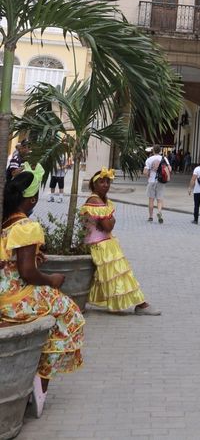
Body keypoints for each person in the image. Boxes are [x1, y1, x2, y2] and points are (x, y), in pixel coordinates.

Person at [0, 171, 84, 418]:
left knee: (55, 313)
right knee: (71, 316)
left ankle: (34, 377)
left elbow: (13, 262)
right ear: (33, 199)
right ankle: (41, 379)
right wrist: (52, 280)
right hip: (16, 298)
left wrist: (32, 257)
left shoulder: (6, 223)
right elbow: (27, 272)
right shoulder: (26, 225)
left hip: (6, 293)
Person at [80, 168, 160, 315]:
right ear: (94, 184)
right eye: (101, 182)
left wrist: (109, 220)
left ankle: (140, 304)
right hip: (100, 245)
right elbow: (108, 226)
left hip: (104, 242)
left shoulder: (102, 201)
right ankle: (141, 304)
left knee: (118, 274)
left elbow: (108, 224)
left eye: (107, 182)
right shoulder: (95, 200)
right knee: (121, 274)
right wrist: (110, 219)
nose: (105, 185)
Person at [143, 145, 171, 223]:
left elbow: (145, 172)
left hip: (151, 181)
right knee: (159, 200)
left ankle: (151, 217)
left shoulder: (149, 159)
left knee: (151, 200)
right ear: (160, 151)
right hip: (161, 181)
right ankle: (159, 212)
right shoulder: (164, 158)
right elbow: (170, 168)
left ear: (153, 151)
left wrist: (148, 174)